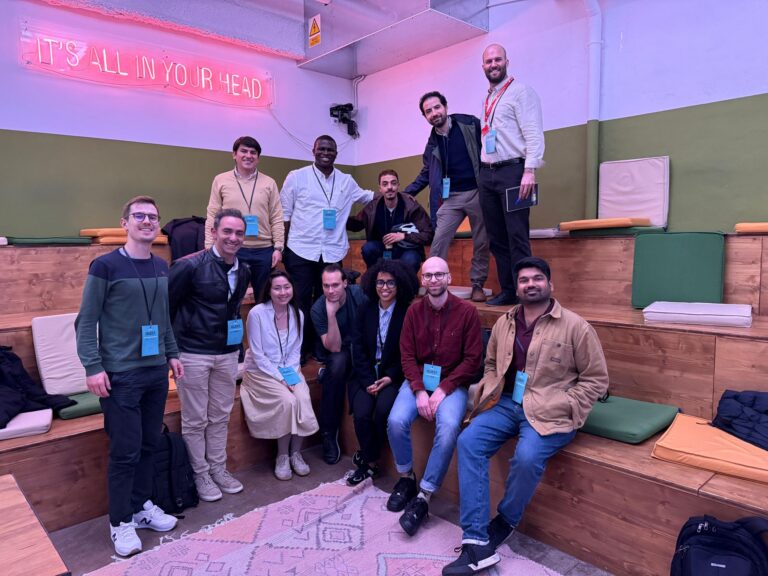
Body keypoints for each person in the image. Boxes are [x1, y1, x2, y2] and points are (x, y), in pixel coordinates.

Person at [442, 257, 608, 575]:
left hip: (551, 410)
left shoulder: (576, 326)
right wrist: (489, 386)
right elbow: (492, 364)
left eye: (537, 278)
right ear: (516, 288)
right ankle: (476, 541)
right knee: (468, 442)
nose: (530, 284)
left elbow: (596, 380)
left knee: (527, 457)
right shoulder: (504, 323)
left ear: (550, 284)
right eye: (523, 280)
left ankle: (506, 520)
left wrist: (568, 403)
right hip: (507, 404)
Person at [75, 196, 183, 557]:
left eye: (153, 216)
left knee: (150, 444)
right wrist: (92, 366)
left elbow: (163, 318)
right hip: (120, 375)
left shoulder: (161, 266)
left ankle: (140, 507)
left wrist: (172, 353)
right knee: (125, 452)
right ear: (125, 223)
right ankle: (120, 521)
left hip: (155, 373)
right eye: (139, 216)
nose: (147, 221)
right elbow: (86, 321)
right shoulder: (105, 266)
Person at [387, 256, 482, 536]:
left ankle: (425, 495)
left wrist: (442, 389)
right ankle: (407, 478)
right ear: (422, 280)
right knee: (395, 421)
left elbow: (473, 360)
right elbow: (406, 356)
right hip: (418, 382)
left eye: (439, 274)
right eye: (428, 275)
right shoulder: (413, 312)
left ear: (449, 278)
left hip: (453, 384)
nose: (434, 280)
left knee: (450, 426)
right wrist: (418, 390)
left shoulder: (468, 312)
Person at [169, 208, 251, 502]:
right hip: (193, 353)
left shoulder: (244, 269)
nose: (233, 238)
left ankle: (218, 469)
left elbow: (233, 311)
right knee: (195, 419)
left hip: (226, 354)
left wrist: (237, 351)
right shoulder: (188, 266)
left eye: (239, 233)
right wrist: (171, 352)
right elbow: (166, 308)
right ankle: (200, 474)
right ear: (214, 232)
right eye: (227, 231)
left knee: (220, 416)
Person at [281, 135, 374, 358]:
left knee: (328, 301)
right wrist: (282, 247)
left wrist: (398, 194)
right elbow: (284, 214)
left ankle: (321, 346)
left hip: (332, 251)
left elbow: (368, 197)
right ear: (313, 151)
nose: (325, 153)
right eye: (321, 149)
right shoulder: (296, 177)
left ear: (336, 154)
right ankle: (300, 349)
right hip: (301, 249)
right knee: (301, 302)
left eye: (330, 149)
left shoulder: (346, 181)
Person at [403, 92, 489, 303]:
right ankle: (434, 284)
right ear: (425, 116)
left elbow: (489, 149)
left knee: (481, 241)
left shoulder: (469, 124)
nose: (434, 113)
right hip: (450, 198)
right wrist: (406, 192)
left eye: (436, 107)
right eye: (428, 111)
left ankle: (477, 284)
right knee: (438, 241)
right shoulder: (432, 144)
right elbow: (426, 173)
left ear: (445, 107)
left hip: (477, 192)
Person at [477, 44, 545, 307]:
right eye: (488, 61)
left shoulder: (521, 92)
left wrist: (529, 170)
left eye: (498, 59)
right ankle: (508, 290)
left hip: (515, 172)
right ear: (483, 66)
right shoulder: (488, 98)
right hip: (488, 174)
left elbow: (533, 133)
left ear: (507, 61)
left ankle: (526, 292)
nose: (493, 64)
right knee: (496, 237)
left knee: (517, 235)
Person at [239, 270, 319, 480]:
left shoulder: (297, 313)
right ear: (269, 290)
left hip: (289, 369)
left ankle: (295, 453)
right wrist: (281, 379)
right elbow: (258, 355)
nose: (283, 292)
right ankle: (282, 456)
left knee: (302, 398)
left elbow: (295, 351)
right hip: (261, 371)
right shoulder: (257, 314)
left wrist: (290, 376)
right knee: (287, 401)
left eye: (286, 287)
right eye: (277, 288)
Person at [347, 259, 419, 486]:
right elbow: (357, 347)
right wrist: (368, 380)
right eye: (380, 282)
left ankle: (368, 459)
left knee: (382, 411)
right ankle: (369, 463)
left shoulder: (407, 312)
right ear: (373, 283)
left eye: (390, 283)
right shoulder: (365, 309)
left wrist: (390, 377)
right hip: (365, 374)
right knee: (361, 413)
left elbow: (409, 352)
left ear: (400, 284)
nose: (384, 287)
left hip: (393, 375)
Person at [205, 136, 284, 296]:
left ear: (258, 158)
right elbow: (213, 214)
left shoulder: (269, 183)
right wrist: (209, 245)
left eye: (253, 152)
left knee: (263, 297)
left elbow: (277, 216)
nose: (248, 155)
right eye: (244, 151)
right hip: (232, 247)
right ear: (234, 154)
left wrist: (278, 247)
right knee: (229, 295)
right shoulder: (220, 180)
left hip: (263, 250)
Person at [310, 263, 367, 465]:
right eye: (326, 286)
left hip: (362, 346)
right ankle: (328, 433)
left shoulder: (358, 294)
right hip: (339, 351)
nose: (331, 290)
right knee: (337, 365)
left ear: (345, 283)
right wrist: (331, 314)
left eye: (335, 285)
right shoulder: (318, 308)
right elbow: (334, 347)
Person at [348, 169, 433, 274]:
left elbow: (428, 234)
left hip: (406, 250)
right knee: (368, 248)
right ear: (380, 188)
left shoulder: (412, 206)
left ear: (398, 186)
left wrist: (404, 236)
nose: (389, 187)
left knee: (412, 259)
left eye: (393, 183)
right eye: (385, 184)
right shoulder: (372, 207)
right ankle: (376, 279)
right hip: (383, 249)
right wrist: (340, 216)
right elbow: (356, 224)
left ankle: (404, 283)